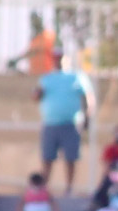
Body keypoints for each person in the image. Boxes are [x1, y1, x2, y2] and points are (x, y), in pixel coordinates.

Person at [35, 56, 95, 194]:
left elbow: (88, 97)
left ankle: (69, 189)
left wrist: (87, 117)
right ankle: (43, 189)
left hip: (71, 124)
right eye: (56, 58)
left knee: (70, 158)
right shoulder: (47, 78)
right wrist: (36, 93)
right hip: (50, 124)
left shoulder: (77, 76)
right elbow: (37, 95)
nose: (59, 61)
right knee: (47, 158)